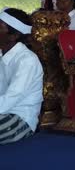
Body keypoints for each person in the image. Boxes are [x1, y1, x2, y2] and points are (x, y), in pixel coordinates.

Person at [0, 8, 43, 144]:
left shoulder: (27, 60)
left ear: (13, 36)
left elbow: (11, 99)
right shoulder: (2, 54)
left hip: (20, 118)